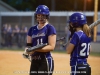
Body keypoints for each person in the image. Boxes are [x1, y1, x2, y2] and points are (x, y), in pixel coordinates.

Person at [23, 5, 56, 75]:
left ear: (47, 16)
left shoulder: (50, 28)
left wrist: (35, 49)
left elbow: (51, 47)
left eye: (43, 15)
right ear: (36, 16)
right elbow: (29, 45)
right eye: (38, 15)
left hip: (45, 60)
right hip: (34, 61)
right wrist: (28, 51)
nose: (40, 17)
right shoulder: (32, 29)